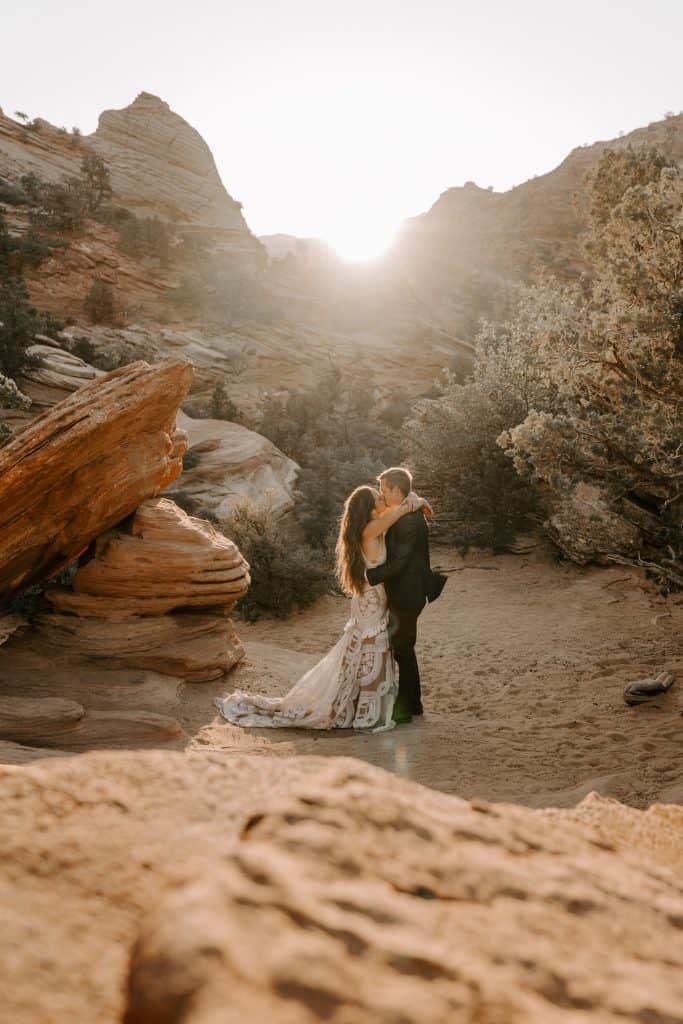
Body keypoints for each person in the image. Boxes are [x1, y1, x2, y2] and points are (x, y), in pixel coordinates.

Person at [214, 484, 431, 731]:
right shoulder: (371, 529)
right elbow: (400, 511)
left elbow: (399, 511)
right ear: (369, 509)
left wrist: (417, 498)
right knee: (371, 646)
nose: (383, 499)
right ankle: (364, 706)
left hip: (371, 599)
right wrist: (415, 499)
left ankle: (361, 701)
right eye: (378, 498)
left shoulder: (371, 525)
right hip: (370, 602)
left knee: (367, 648)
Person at [365, 467, 437, 724]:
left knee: (403, 650)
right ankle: (414, 703)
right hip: (408, 591)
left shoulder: (408, 521)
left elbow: (400, 563)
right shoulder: (406, 511)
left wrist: (368, 577)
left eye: (384, 490)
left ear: (397, 491)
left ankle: (405, 709)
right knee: (405, 649)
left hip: (408, 593)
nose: (382, 495)